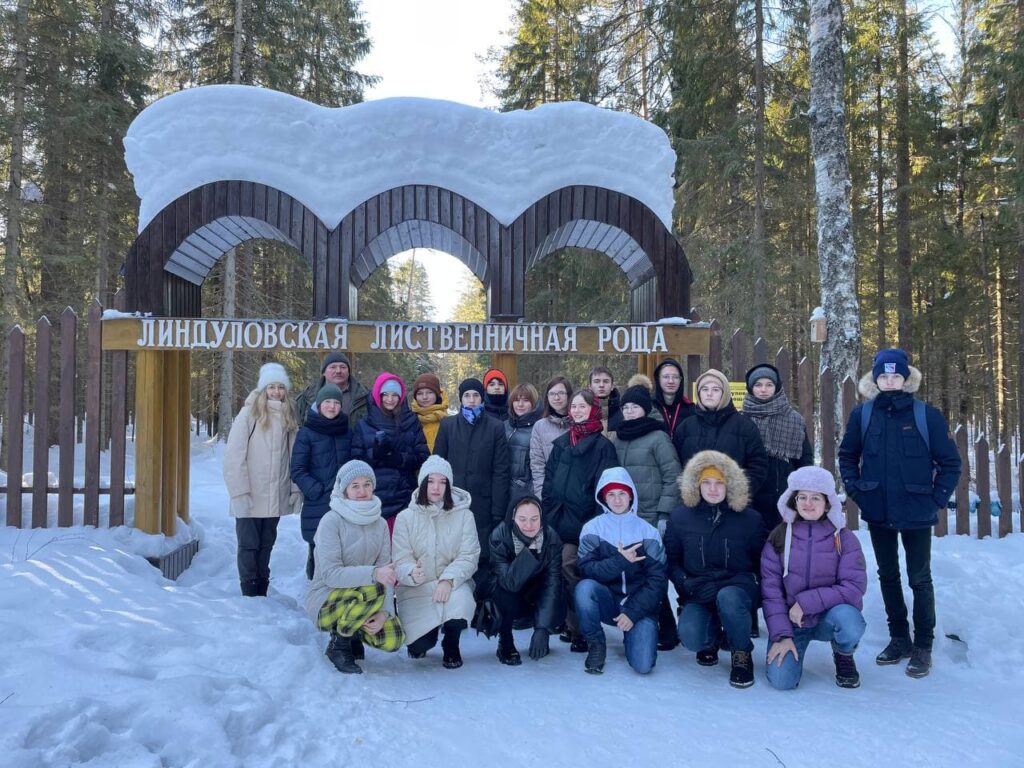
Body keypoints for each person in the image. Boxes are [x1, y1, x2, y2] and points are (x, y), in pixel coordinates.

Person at [838, 348, 961, 678]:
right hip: (878, 510)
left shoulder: (926, 416)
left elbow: (950, 463)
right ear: (875, 380)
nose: (890, 381)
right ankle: (899, 638)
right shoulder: (863, 415)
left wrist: (935, 499)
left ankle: (923, 644)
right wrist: (857, 491)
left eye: (896, 376)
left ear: (906, 379)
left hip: (917, 512)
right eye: (883, 376)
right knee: (887, 575)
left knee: (920, 578)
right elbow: (847, 456)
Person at [665, 450, 766, 688]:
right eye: (706, 483)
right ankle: (711, 638)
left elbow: (763, 562)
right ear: (696, 485)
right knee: (690, 636)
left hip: (736, 588)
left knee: (728, 597)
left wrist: (754, 587)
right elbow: (670, 560)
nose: (713, 489)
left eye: (719, 483)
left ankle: (741, 652)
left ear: (730, 485)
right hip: (698, 589)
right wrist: (683, 581)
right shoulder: (680, 518)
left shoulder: (750, 519)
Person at [761, 466, 868, 690]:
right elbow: (771, 593)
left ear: (827, 502)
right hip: (792, 623)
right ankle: (789, 646)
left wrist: (806, 602)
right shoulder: (778, 538)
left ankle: (843, 653)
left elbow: (853, 587)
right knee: (782, 681)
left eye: (815, 498)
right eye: (802, 497)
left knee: (850, 621)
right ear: (794, 500)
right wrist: (781, 635)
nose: (807, 504)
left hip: (829, 617)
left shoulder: (844, 538)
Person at [305, 461, 405, 674]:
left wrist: (385, 613)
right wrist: (373, 574)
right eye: (355, 486)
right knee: (374, 587)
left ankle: (355, 631)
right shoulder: (331, 521)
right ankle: (339, 645)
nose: (362, 491)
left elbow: (385, 573)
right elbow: (331, 575)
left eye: (367, 484)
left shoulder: (379, 524)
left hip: (365, 596)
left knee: (393, 639)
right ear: (344, 490)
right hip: (326, 598)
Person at [542, 387, 619, 652]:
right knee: (557, 570)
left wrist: (595, 526)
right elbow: (549, 482)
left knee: (571, 568)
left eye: (582, 407)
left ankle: (582, 629)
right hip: (557, 520)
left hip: (585, 523)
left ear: (593, 410)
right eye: (573, 407)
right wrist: (549, 512)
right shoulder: (562, 443)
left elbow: (605, 490)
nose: (576, 411)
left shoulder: (602, 446)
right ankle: (565, 621)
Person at [610, 377, 682, 650]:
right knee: (634, 572)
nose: (629, 412)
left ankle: (667, 628)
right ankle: (646, 623)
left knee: (653, 573)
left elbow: (672, 476)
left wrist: (664, 514)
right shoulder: (619, 438)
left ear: (645, 409)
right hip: (627, 517)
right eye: (625, 407)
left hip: (651, 517)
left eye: (634, 407)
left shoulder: (658, 437)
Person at [575, 467, 666, 674]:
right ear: (603, 498)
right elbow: (587, 570)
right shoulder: (592, 529)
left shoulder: (648, 532)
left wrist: (633, 613)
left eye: (622, 493)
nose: (617, 500)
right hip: (609, 601)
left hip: (638, 606)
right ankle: (596, 644)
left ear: (631, 495)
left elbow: (657, 581)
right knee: (584, 588)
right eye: (611, 494)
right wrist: (620, 561)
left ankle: (635, 636)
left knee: (643, 666)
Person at [393, 456, 481, 669]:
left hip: (451, 585)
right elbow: (400, 558)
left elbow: (469, 555)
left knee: (461, 603)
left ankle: (451, 642)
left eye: (443, 482)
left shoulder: (464, 516)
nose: (436, 487)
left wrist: (448, 580)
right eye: (431, 481)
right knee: (419, 646)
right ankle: (427, 636)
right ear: (422, 483)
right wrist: (411, 572)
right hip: (417, 588)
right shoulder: (405, 518)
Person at [223, 363, 301, 596]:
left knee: (266, 544)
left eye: (280, 387)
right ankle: (249, 590)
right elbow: (234, 455)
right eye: (271, 387)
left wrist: (294, 489)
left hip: (275, 493)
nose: (276, 392)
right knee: (248, 545)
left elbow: (294, 455)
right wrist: (239, 491)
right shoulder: (250, 413)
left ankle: (262, 588)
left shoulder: (289, 416)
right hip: (250, 493)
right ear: (263, 388)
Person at [434, 378, 510, 592]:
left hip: (483, 504)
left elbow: (501, 470)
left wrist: (497, 510)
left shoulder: (495, 427)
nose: (471, 399)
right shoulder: (448, 425)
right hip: (452, 502)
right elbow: (437, 464)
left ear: (482, 398)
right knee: (452, 551)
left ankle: (480, 604)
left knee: (481, 554)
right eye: (467, 395)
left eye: (476, 395)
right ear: (461, 399)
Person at [485, 495, 565, 665]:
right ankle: (505, 641)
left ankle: (543, 629)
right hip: (511, 592)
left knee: (560, 592)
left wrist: (542, 628)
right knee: (503, 590)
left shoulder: (552, 539)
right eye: (523, 519)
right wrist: (531, 550)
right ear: (513, 517)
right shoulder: (499, 536)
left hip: (536, 593)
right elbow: (509, 582)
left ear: (541, 518)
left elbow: (552, 583)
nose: (529, 526)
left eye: (534, 519)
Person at [350, 372, 429, 531]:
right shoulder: (364, 424)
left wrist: (400, 458)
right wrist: (375, 454)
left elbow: (423, 456)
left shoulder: (411, 421)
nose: (390, 399)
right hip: (373, 496)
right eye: (385, 394)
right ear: (377, 395)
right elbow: (355, 462)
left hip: (404, 495)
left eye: (395, 395)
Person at [673, 368, 768, 498]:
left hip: (733, 505)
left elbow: (758, 466)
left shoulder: (745, 426)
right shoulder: (685, 427)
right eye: (705, 389)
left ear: (725, 393)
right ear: (698, 393)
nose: (709, 394)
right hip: (694, 505)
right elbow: (675, 466)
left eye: (715, 389)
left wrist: (736, 493)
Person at [291, 383, 352, 580]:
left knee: (343, 552)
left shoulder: (347, 431)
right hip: (318, 501)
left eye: (336, 402)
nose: (332, 406)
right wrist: (316, 490)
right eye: (327, 402)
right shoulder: (307, 432)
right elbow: (298, 469)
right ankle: (317, 596)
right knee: (319, 551)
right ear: (319, 404)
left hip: (345, 503)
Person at [742, 364, 813, 530]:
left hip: (784, 493)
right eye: (758, 385)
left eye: (769, 385)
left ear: (777, 387)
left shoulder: (794, 419)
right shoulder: (742, 419)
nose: (763, 390)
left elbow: (804, 459)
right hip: (751, 494)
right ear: (751, 389)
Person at [295, 351, 370, 428]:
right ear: (323, 372)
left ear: (348, 372)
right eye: (333, 367)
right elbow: (298, 425)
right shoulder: (307, 397)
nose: (338, 371)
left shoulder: (364, 396)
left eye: (343, 367)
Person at [529, 376, 573, 497]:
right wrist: (541, 495)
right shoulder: (539, 426)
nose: (556, 398)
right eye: (552, 394)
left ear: (569, 395)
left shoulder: (579, 423)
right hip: (550, 493)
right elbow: (537, 465)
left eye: (561, 393)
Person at [505, 383, 542, 503]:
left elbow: (540, 468)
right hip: (502, 489)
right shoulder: (504, 425)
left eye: (526, 400)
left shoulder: (539, 428)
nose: (520, 404)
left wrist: (530, 492)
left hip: (525, 493)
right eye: (516, 400)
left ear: (533, 403)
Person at [652, 358, 694, 434]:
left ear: (680, 380)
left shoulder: (690, 409)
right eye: (666, 377)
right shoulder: (649, 406)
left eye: (675, 377)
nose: (671, 381)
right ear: (658, 379)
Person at [409, 372, 448, 452]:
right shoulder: (409, 420)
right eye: (420, 393)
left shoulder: (448, 421)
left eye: (429, 392)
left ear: (437, 395)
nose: (424, 397)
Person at [588, 365, 620, 429]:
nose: (601, 385)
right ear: (590, 387)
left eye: (606, 381)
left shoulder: (624, 411)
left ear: (612, 386)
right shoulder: (582, 411)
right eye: (597, 381)